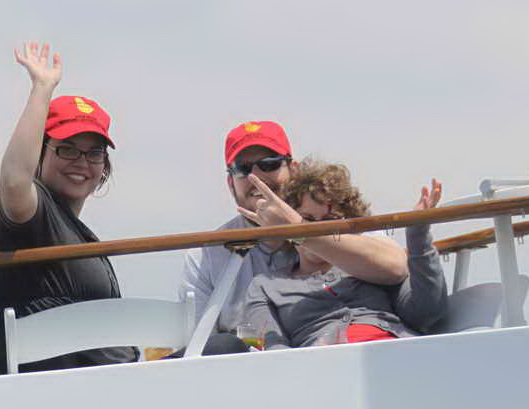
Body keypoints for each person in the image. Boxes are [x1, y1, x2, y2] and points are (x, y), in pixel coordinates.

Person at [180, 121, 410, 343]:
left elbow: (397, 267)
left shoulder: (334, 219)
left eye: (269, 164)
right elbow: (198, 346)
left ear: (294, 170)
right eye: (243, 168)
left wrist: (298, 227)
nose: (256, 177)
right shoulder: (205, 257)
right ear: (231, 183)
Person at [0, 42, 136, 372]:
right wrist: (42, 89)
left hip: (112, 379)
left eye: (93, 153)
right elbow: (15, 181)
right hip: (64, 388)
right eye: (67, 149)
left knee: (222, 347)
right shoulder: (35, 215)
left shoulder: (78, 232)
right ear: (40, 153)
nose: (81, 162)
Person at [241, 158, 446, 348]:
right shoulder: (264, 286)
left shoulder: (371, 266)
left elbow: (428, 313)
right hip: (323, 367)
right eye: (307, 220)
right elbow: (269, 350)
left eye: (330, 221)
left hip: (397, 354)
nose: (318, 229)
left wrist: (418, 235)